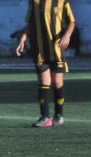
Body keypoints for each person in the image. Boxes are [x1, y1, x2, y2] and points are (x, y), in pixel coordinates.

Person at [15, 0, 76, 128]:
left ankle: (59, 116)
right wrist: (22, 39)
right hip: (39, 50)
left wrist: (67, 35)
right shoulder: (34, 2)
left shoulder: (62, 1)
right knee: (44, 82)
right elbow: (30, 23)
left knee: (57, 82)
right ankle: (45, 117)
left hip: (56, 49)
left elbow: (72, 21)